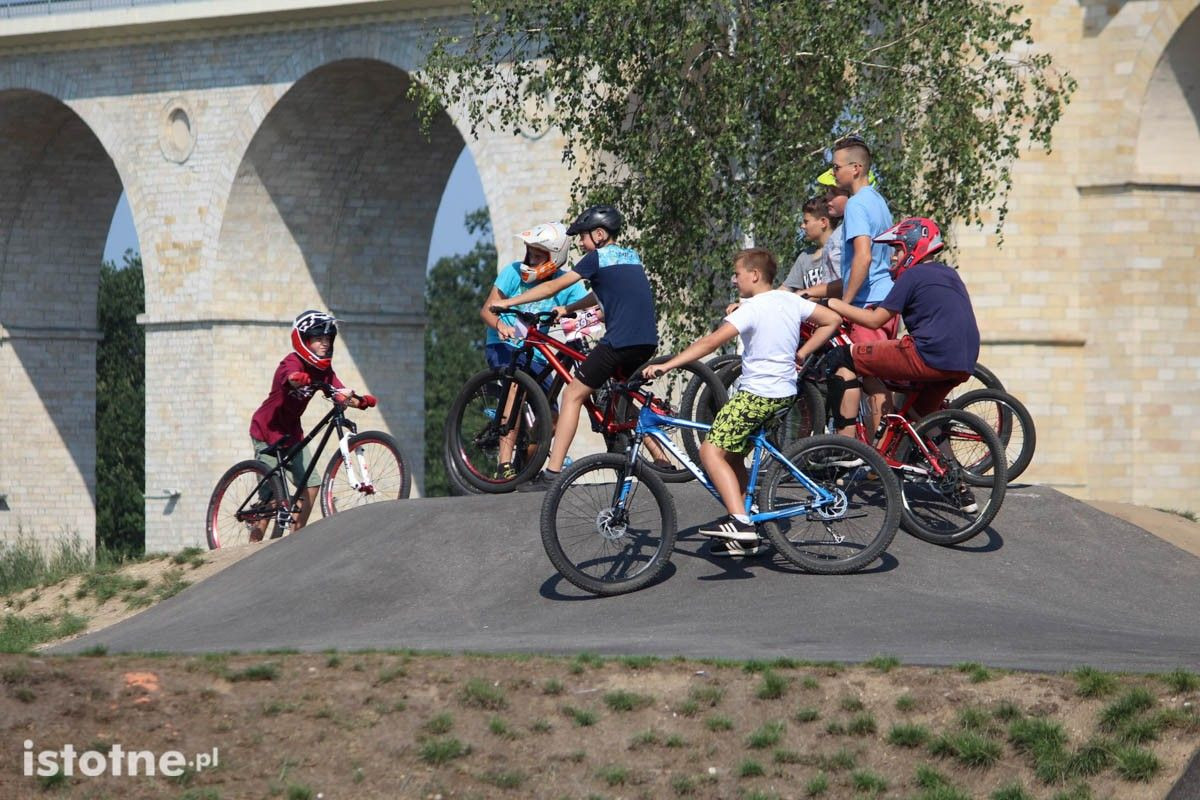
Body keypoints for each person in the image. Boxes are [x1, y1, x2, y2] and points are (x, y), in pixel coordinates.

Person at [644, 248, 842, 556]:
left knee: (709, 451)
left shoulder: (751, 309)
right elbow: (832, 319)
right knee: (732, 454)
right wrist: (803, 352)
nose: (734, 280)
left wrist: (667, 365)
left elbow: (711, 342)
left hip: (757, 395)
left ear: (755, 275)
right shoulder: (788, 299)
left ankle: (741, 523)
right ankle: (743, 520)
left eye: (737, 274)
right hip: (784, 393)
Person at [491, 204, 659, 491]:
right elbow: (599, 295)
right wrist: (567, 308)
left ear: (599, 234)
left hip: (620, 341)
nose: (581, 243)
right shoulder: (631, 257)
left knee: (572, 395)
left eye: (583, 237)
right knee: (623, 397)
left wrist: (507, 304)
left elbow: (548, 289)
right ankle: (663, 462)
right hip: (647, 341)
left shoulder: (596, 259)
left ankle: (553, 473)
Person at [823, 217, 980, 507]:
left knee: (845, 357)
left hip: (926, 353)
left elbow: (874, 319)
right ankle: (957, 487)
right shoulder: (949, 274)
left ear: (912, 248)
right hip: (962, 360)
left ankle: (843, 447)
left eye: (896, 250)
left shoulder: (912, 276)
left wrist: (833, 304)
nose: (894, 257)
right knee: (922, 421)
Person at [479, 222, 592, 479]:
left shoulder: (565, 282)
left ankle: (528, 468)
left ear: (555, 258)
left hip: (539, 354)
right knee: (516, 385)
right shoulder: (513, 272)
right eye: (531, 253)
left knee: (552, 418)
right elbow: (487, 309)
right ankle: (504, 463)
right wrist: (500, 325)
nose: (532, 259)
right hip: (505, 346)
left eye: (540, 256)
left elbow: (586, 307)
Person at [248, 310, 375, 538]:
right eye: (318, 340)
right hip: (266, 431)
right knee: (273, 497)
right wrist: (297, 379)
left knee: (312, 484)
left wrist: (361, 401)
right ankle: (251, 547)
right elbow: (290, 376)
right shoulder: (292, 361)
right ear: (304, 341)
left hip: (292, 434)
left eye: (328, 340)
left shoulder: (323, 371)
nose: (324, 344)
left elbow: (339, 392)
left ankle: (295, 538)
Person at [782, 196, 839, 294]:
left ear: (823, 222)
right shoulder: (805, 256)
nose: (802, 226)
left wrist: (808, 295)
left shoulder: (841, 250)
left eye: (806, 222)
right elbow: (785, 289)